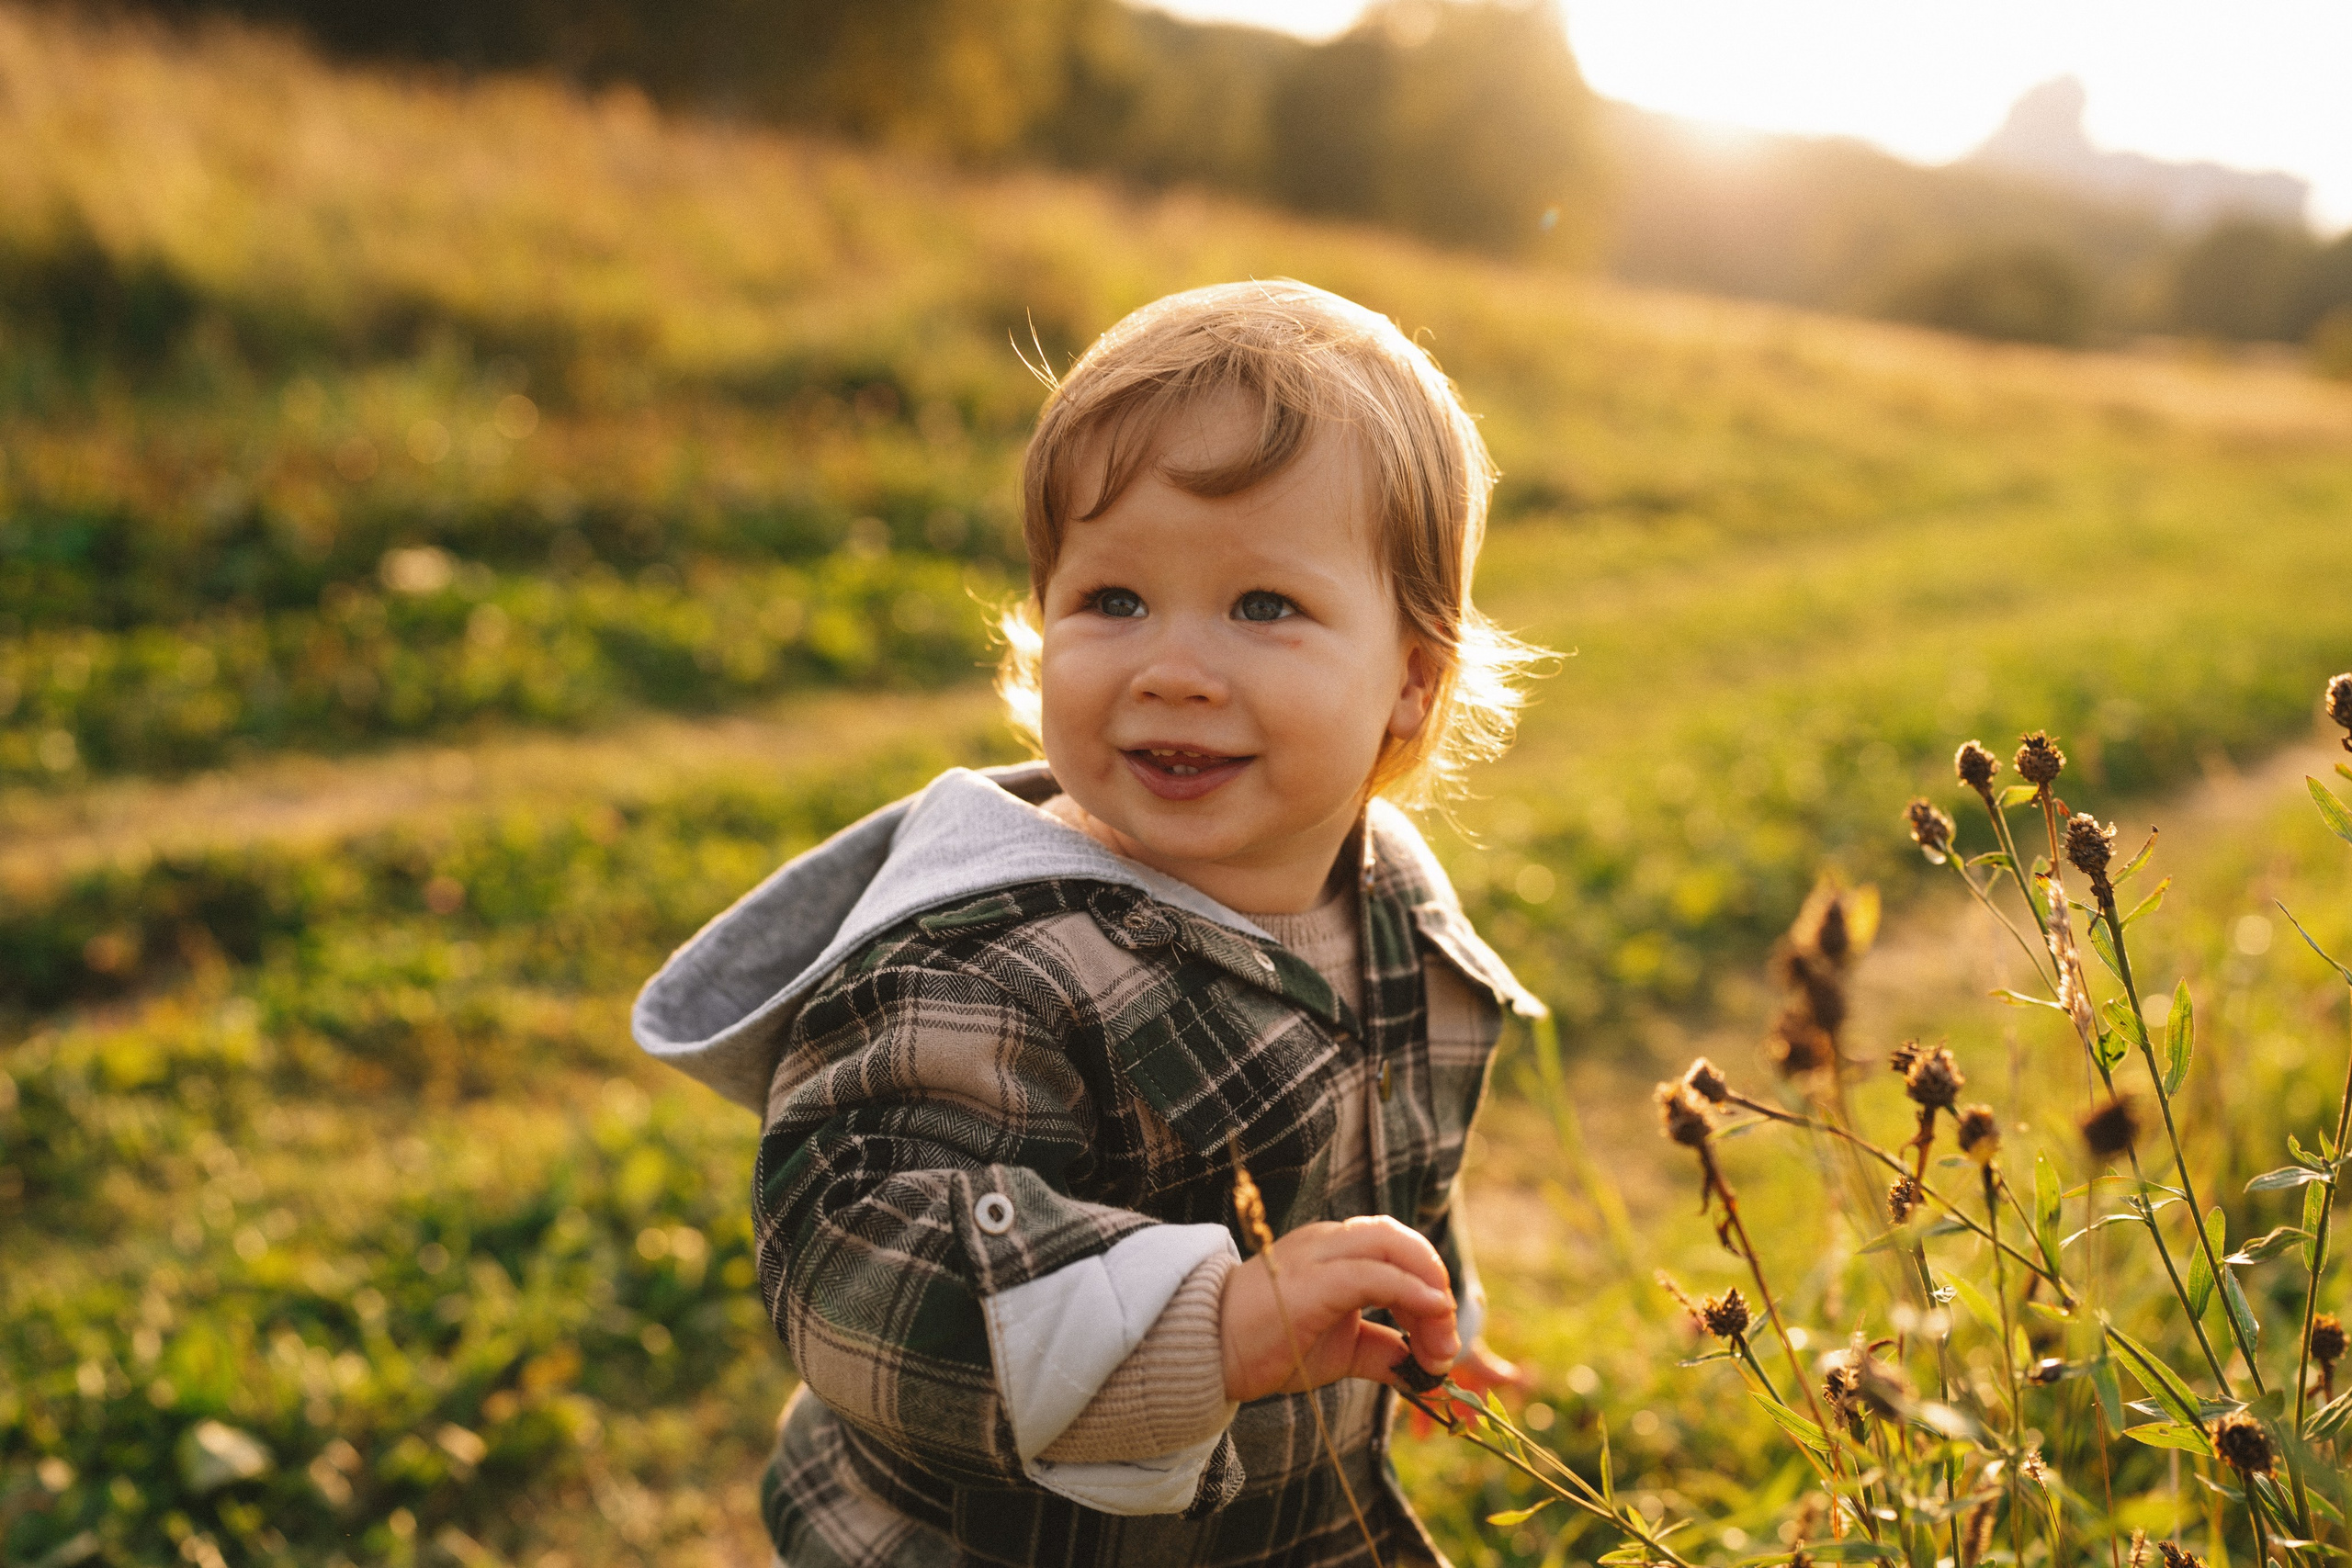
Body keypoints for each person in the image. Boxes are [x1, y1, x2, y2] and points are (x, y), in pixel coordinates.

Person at [633, 278, 1549, 1566]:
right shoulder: (986, 960)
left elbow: (1386, 1157)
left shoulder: (1392, 898)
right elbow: (849, 1262)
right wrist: (1214, 1328)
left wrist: (1425, 1329)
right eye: (1113, 599)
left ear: (1412, 678)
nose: (1172, 669)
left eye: (1263, 606)